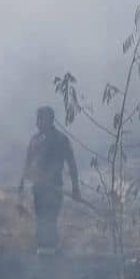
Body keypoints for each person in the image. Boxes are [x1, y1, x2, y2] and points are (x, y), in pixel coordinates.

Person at [19, 106, 80, 254]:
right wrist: (21, 182)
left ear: (51, 120)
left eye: (42, 118)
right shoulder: (35, 140)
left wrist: (75, 187)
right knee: (41, 219)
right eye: (37, 118)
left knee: (50, 219)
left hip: (54, 188)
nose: (38, 122)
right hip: (39, 189)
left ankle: (50, 252)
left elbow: (71, 163)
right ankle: (43, 251)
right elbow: (27, 162)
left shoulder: (61, 140)